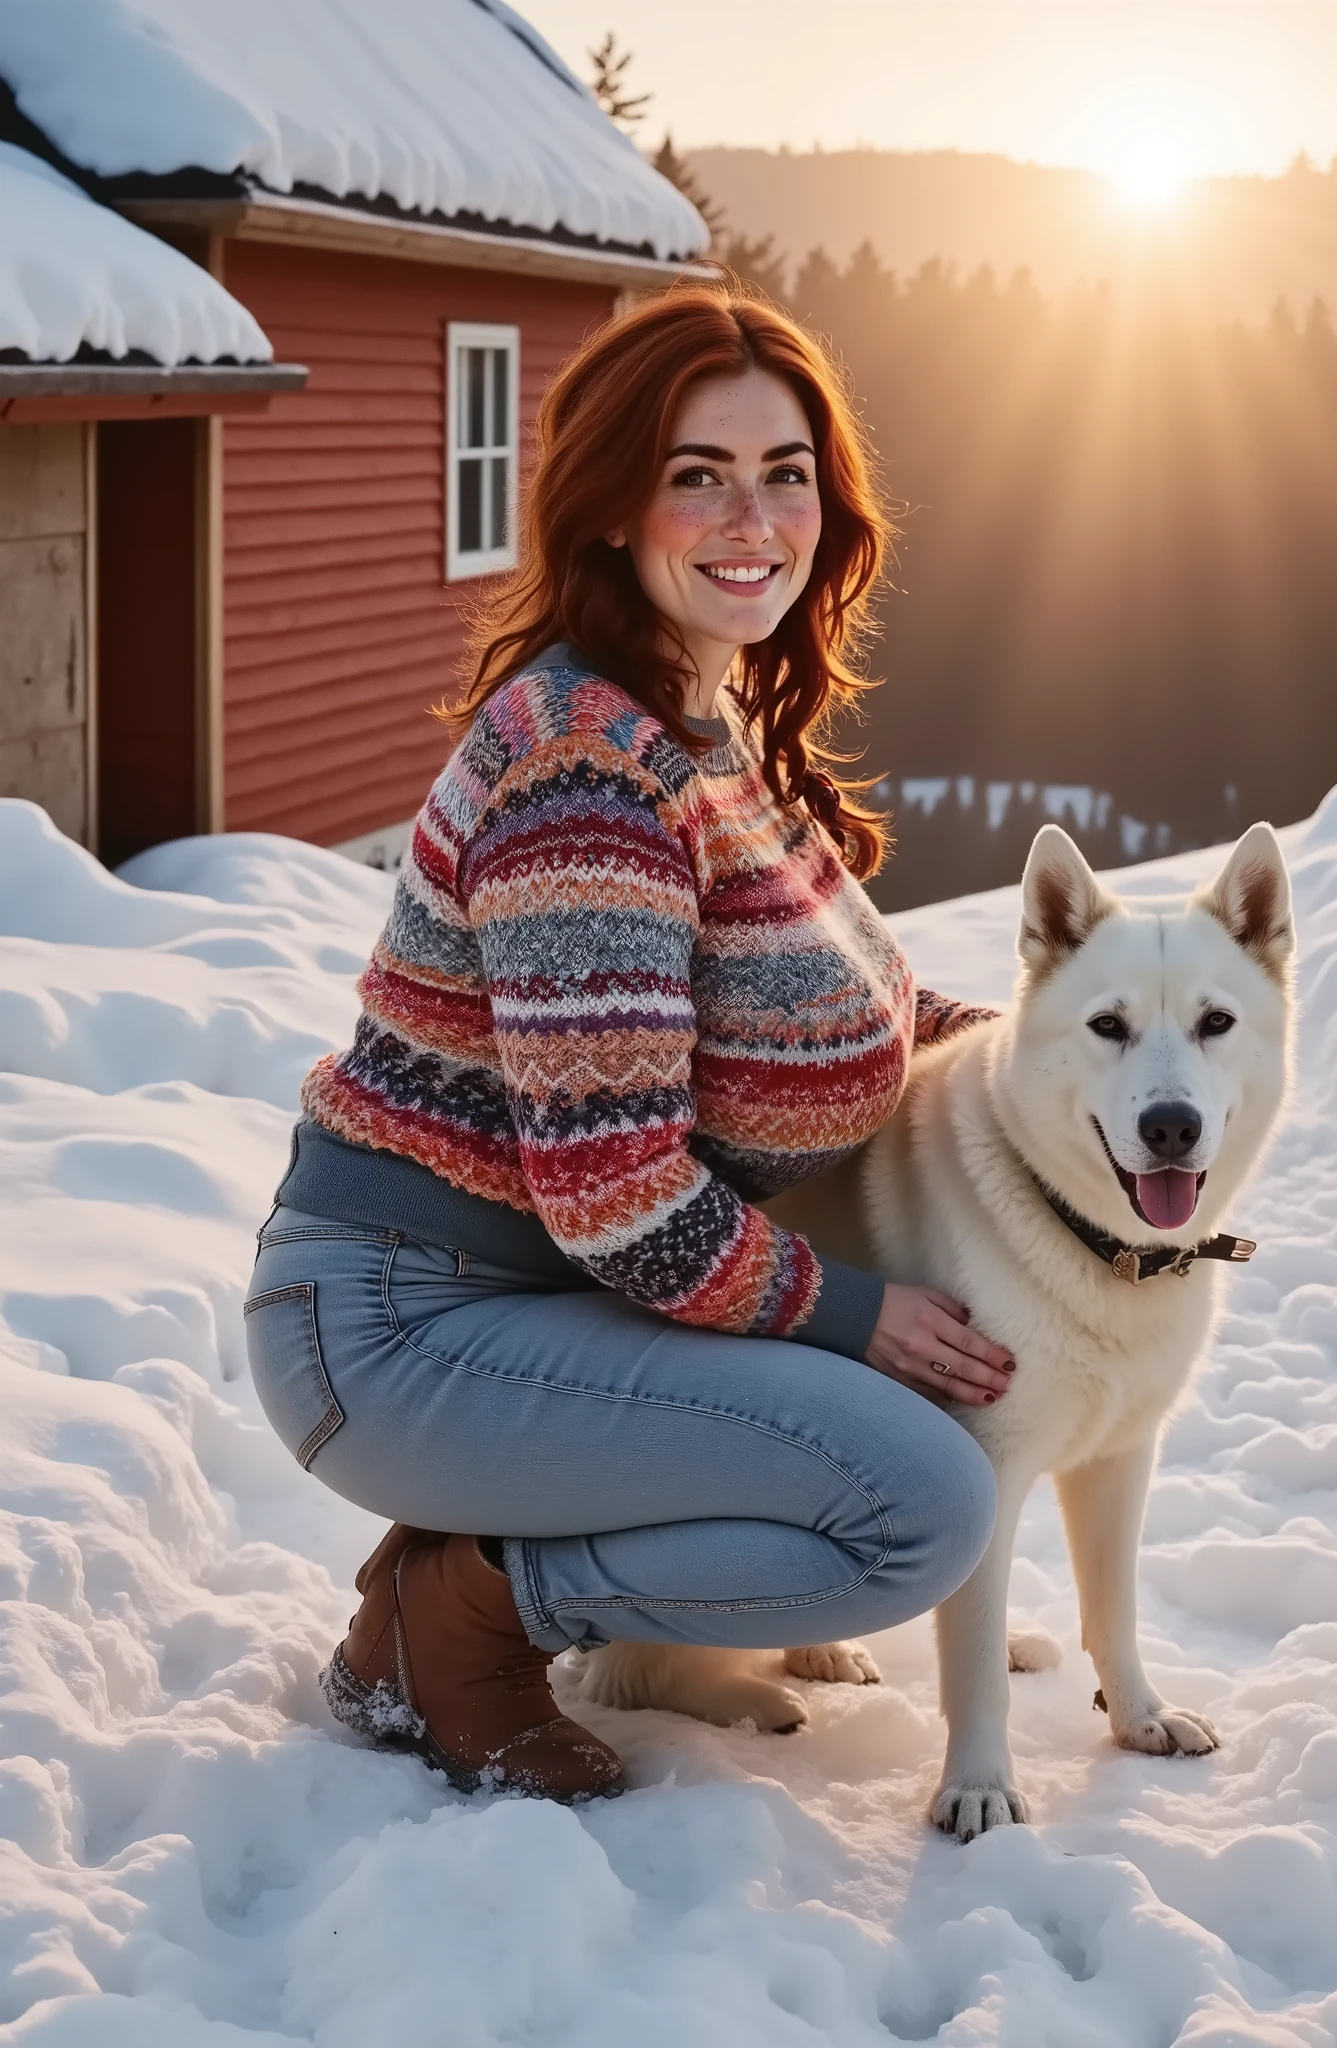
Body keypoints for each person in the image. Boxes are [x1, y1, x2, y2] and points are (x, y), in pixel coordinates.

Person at [244, 287, 1013, 1802]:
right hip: (402, 1329)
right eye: (695, 472)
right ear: (610, 507)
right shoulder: (586, 773)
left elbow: (847, 1009)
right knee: (916, 1506)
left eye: (785, 470)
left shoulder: (709, 727)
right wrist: (848, 1312)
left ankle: (474, 1551)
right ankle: (455, 1617)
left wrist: (1060, 1067)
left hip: (544, 1310)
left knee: (920, 1456)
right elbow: (615, 1196)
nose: (752, 514)